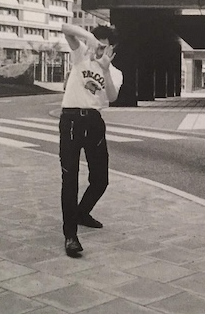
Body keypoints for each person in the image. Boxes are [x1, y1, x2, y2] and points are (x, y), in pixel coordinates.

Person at [59, 23, 123, 258]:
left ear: (112, 49)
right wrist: (88, 37)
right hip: (72, 120)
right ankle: (70, 235)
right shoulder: (80, 56)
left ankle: (81, 213)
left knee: (100, 179)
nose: (98, 51)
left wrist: (105, 69)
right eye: (97, 46)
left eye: (104, 47)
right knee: (70, 177)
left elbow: (112, 97)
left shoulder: (115, 72)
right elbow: (65, 28)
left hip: (94, 122)